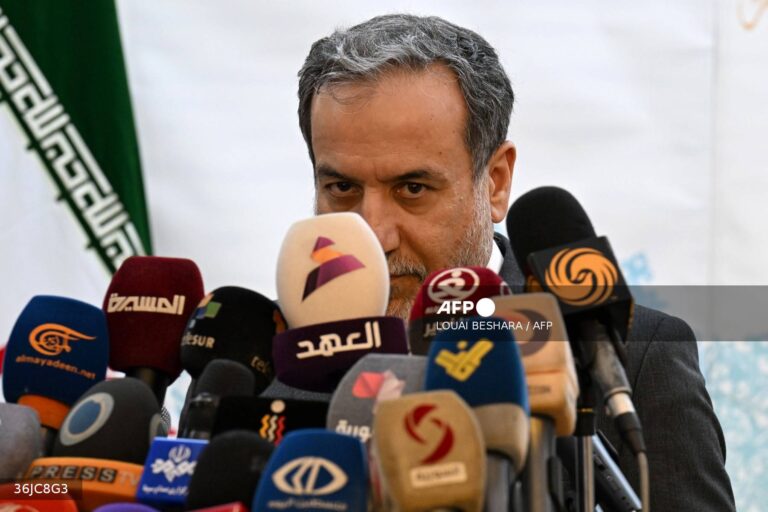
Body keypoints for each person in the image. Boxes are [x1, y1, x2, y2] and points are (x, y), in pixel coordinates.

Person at [297, 14, 735, 511]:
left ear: (496, 182)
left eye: (412, 188)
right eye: (341, 188)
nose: (375, 235)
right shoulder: (275, 364)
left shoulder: (627, 359)